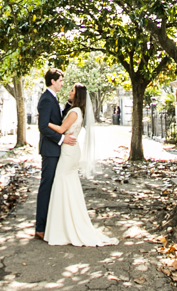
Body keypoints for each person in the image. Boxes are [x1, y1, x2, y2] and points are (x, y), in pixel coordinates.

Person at [43, 83, 118, 247]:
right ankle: (65, 223)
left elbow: (62, 129)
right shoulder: (76, 110)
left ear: (77, 95)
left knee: (62, 182)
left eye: (72, 91)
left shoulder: (75, 112)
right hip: (71, 150)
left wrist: (45, 122)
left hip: (69, 152)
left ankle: (64, 226)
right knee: (68, 184)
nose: (69, 92)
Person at [35, 68, 75, 240]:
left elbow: (56, 120)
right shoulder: (46, 99)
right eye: (60, 80)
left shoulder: (53, 98)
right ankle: (40, 228)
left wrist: (68, 105)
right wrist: (61, 139)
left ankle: (49, 225)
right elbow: (43, 126)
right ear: (52, 81)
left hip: (55, 149)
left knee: (53, 187)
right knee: (46, 187)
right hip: (50, 150)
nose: (62, 83)